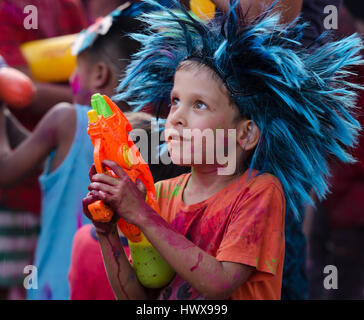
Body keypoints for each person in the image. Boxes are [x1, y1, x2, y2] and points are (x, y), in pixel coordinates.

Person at [83, 2, 362, 299]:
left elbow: (219, 284)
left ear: (245, 133)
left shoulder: (258, 194)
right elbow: (140, 298)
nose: (175, 117)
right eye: (175, 101)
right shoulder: (163, 194)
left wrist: (141, 215)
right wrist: (109, 233)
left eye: (199, 105)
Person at [0, 3, 149, 300]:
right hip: (119, 287)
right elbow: (44, 149)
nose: (69, 81)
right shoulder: (147, 131)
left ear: (99, 75)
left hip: (58, 288)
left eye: (74, 71)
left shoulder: (65, 119)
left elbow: (5, 170)